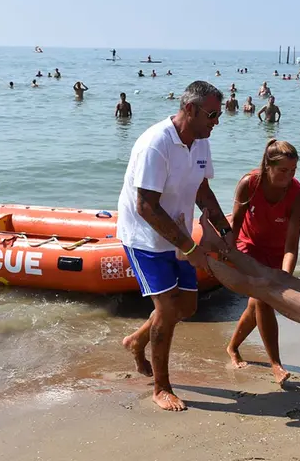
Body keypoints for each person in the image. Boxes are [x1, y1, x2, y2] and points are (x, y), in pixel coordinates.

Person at [117, 81, 232, 411]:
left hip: (178, 231)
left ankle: (136, 341)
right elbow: (146, 206)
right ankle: (161, 387)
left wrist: (225, 229)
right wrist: (192, 248)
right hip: (146, 236)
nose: (216, 122)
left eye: (218, 114)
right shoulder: (156, 144)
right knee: (167, 311)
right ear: (190, 109)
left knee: (188, 307)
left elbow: (202, 190)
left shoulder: (200, 141)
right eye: (212, 114)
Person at [226, 140, 300, 384]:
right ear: (267, 166)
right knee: (262, 297)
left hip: (277, 252)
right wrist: (225, 255)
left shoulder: (298, 196)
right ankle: (276, 363)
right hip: (247, 247)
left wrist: (285, 275)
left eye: (293, 171)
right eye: (283, 170)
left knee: (258, 302)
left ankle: (232, 347)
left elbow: (291, 246)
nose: (288, 176)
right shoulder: (249, 184)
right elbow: (235, 225)